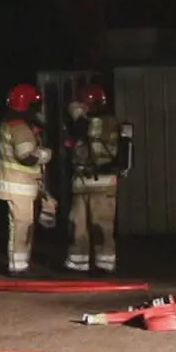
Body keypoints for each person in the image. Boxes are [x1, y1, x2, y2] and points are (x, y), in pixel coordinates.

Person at [64, 83, 123, 273]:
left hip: (102, 183)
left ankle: (104, 264)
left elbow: (84, 127)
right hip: (81, 183)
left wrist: (75, 112)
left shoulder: (106, 121)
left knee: (102, 226)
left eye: (83, 104)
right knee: (77, 225)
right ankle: (77, 263)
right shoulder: (86, 121)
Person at [0, 84, 55, 275]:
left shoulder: (12, 123)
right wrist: (46, 154)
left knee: (23, 224)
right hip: (19, 184)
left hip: (18, 184)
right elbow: (27, 157)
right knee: (22, 224)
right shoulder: (20, 127)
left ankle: (20, 264)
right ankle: (18, 267)